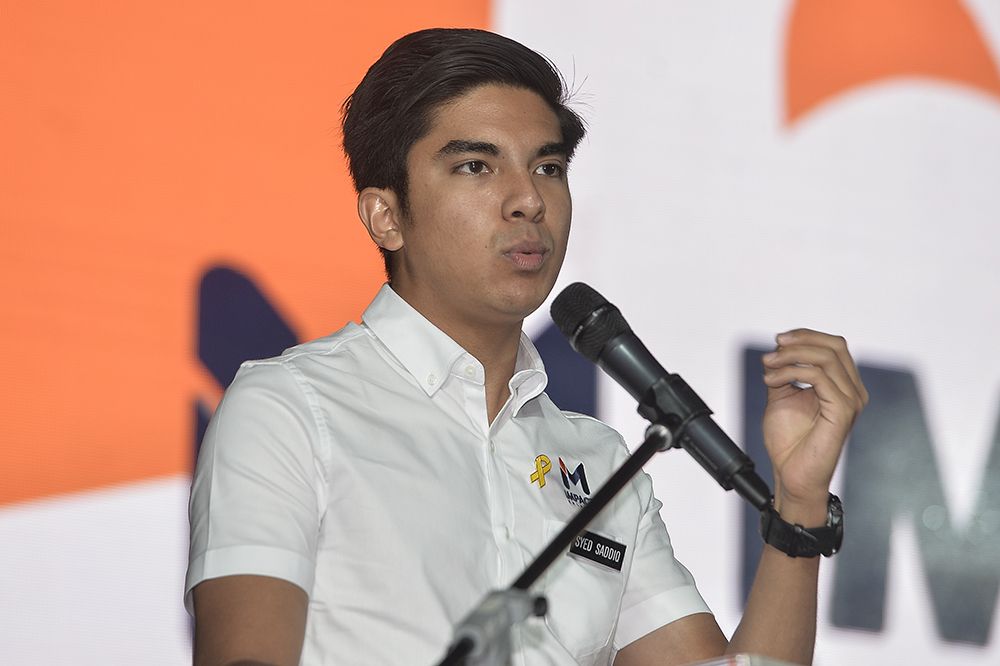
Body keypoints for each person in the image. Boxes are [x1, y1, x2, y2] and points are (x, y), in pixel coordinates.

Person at [185, 28, 868, 666]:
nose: (527, 201)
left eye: (548, 166)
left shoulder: (599, 465)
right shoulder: (291, 408)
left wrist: (800, 506)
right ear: (385, 215)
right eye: (477, 166)